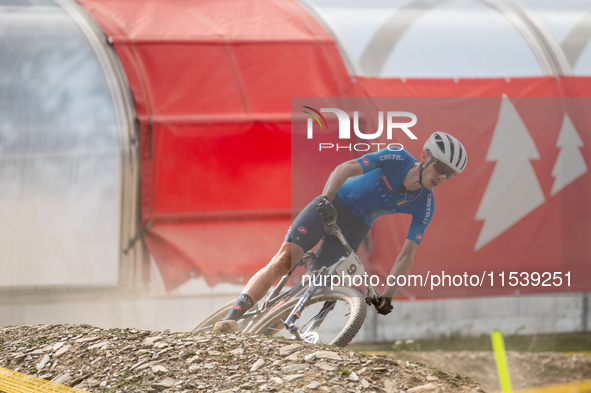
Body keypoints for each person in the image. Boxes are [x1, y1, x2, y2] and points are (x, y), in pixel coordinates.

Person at [213, 132, 467, 333]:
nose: (443, 177)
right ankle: (230, 317)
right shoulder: (397, 157)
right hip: (335, 202)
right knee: (283, 261)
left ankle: (262, 334)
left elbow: (406, 255)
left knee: (313, 290)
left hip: (356, 226)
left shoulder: (426, 204)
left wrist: (388, 296)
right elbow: (345, 168)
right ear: (424, 157)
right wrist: (326, 200)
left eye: (450, 175)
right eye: (440, 168)